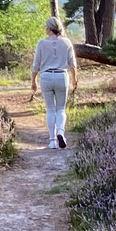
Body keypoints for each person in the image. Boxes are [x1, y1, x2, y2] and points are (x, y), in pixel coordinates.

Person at [28, 16, 80, 150]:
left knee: (50, 109)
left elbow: (36, 65)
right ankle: (60, 132)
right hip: (62, 76)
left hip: (45, 76)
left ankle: (52, 141)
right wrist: (74, 79)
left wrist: (33, 81)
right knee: (61, 108)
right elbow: (72, 64)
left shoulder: (41, 43)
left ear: (49, 28)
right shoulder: (67, 42)